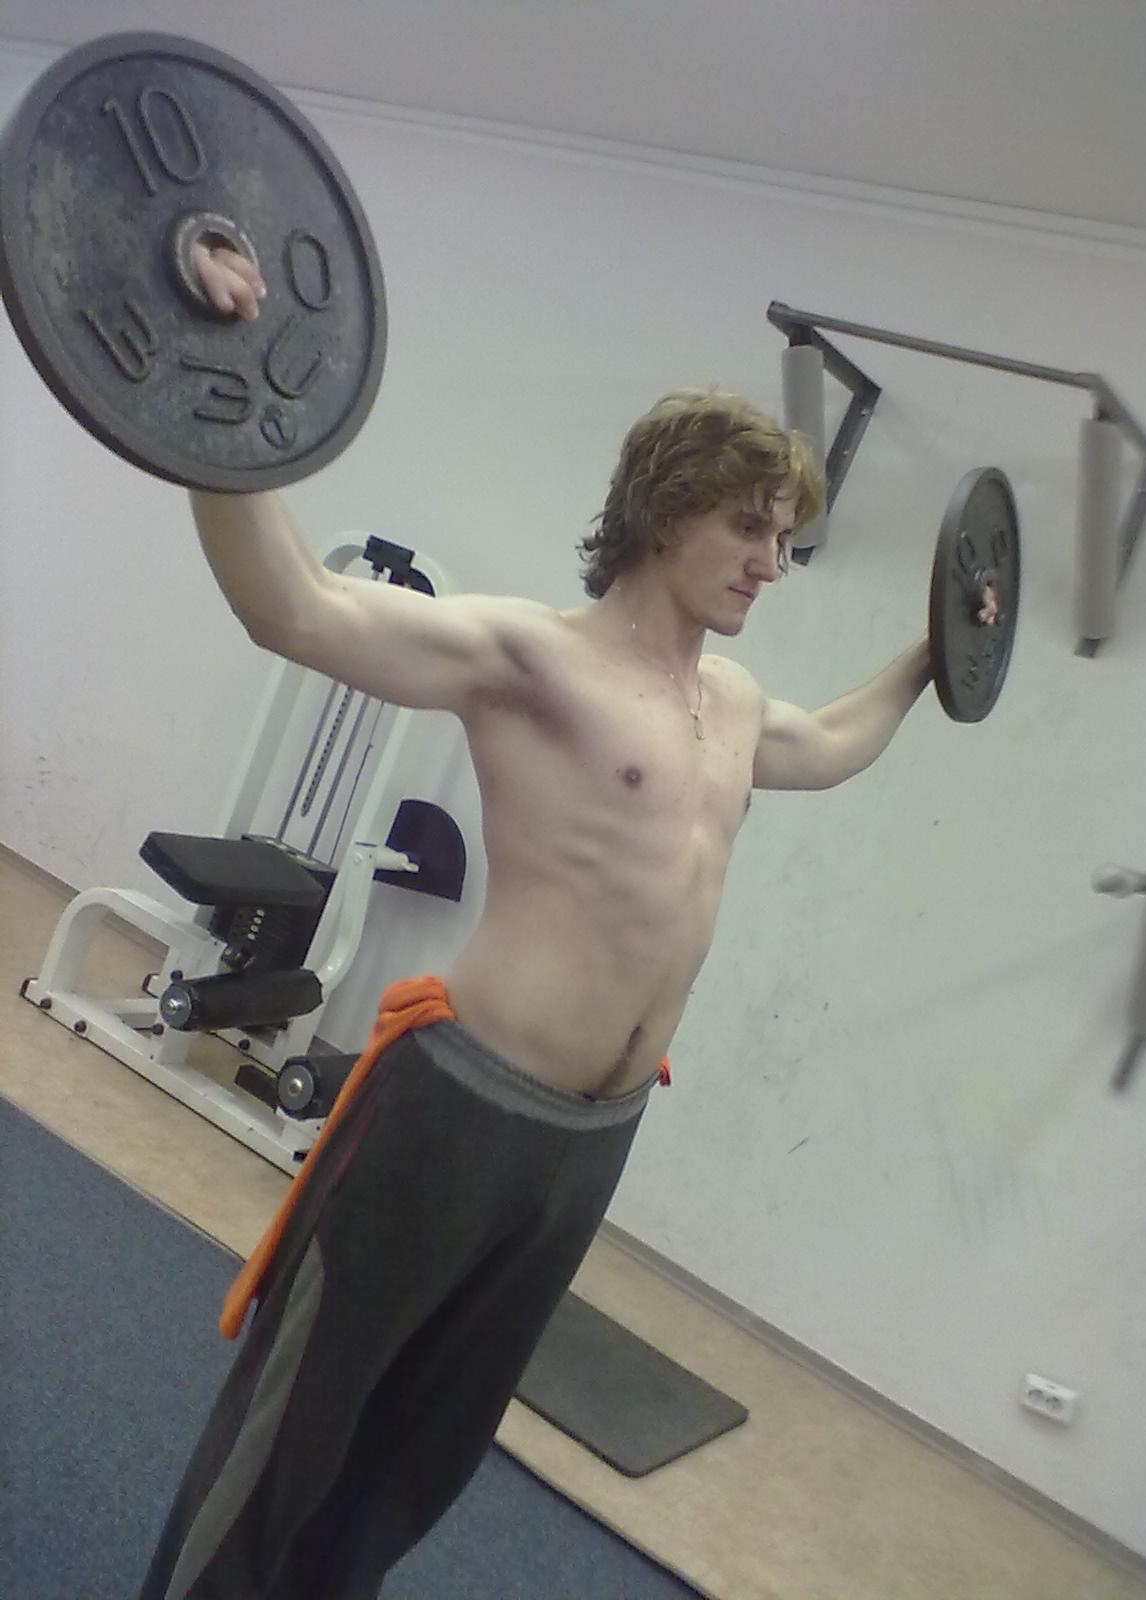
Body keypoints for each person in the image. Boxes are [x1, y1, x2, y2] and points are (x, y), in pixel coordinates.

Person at [141, 246, 969, 1599]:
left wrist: (935, 653)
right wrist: (215, 379)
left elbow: (827, 746)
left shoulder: (734, 705)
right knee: (300, 1422)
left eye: (782, 538)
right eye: (750, 529)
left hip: (592, 1139)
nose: (772, 563)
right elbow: (291, 606)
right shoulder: (531, 658)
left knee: (424, 1451)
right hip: (457, 1107)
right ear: (666, 511)